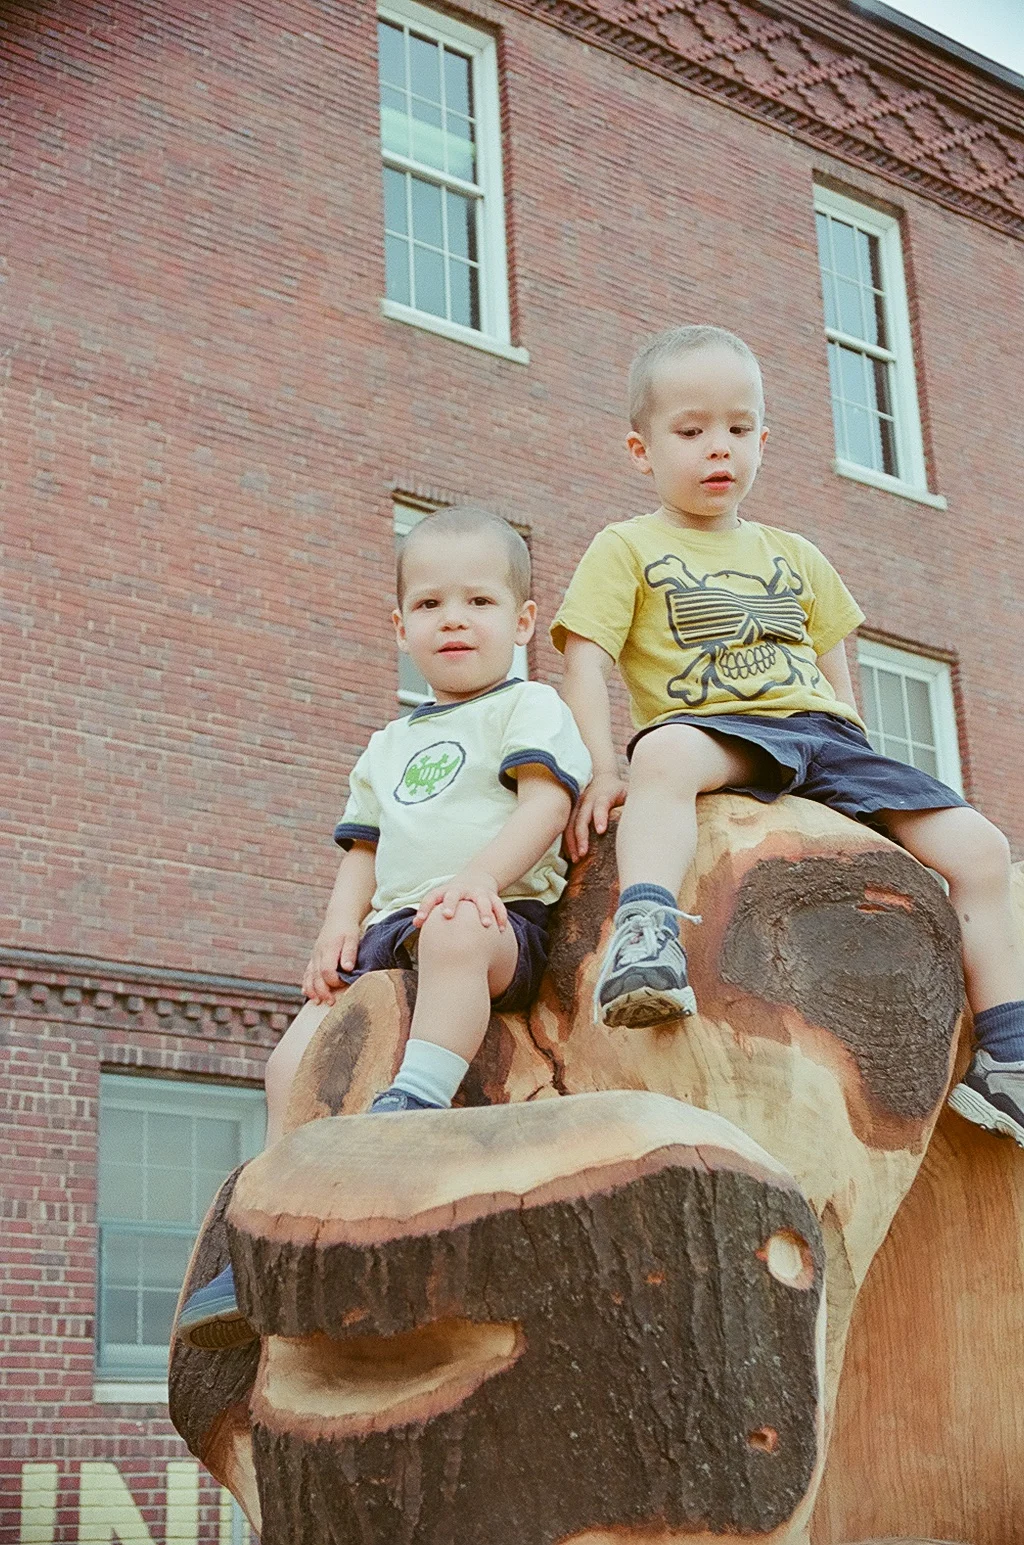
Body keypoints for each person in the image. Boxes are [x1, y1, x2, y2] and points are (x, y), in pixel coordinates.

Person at [552, 322, 1024, 1149]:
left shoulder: (796, 554)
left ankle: (1009, 1055)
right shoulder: (626, 546)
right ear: (641, 450)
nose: (718, 448)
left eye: (738, 429)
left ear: (764, 439)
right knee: (658, 753)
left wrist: (861, 770)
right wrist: (598, 766)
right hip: (716, 728)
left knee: (982, 848)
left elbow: (838, 679)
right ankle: (649, 934)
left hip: (824, 738)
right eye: (690, 431)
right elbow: (586, 662)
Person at [178, 505, 591, 1348]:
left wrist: (478, 877)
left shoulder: (531, 708)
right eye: (432, 604)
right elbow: (362, 851)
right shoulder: (386, 743)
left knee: (453, 934)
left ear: (521, 622)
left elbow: (549, 803)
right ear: (400, 626)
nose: (454, 619)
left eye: (478, 602)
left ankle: (413, 1107)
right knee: (287, 1061)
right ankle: (255, 1243)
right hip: (389, 928)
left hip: (496, 918)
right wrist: (337, 928)